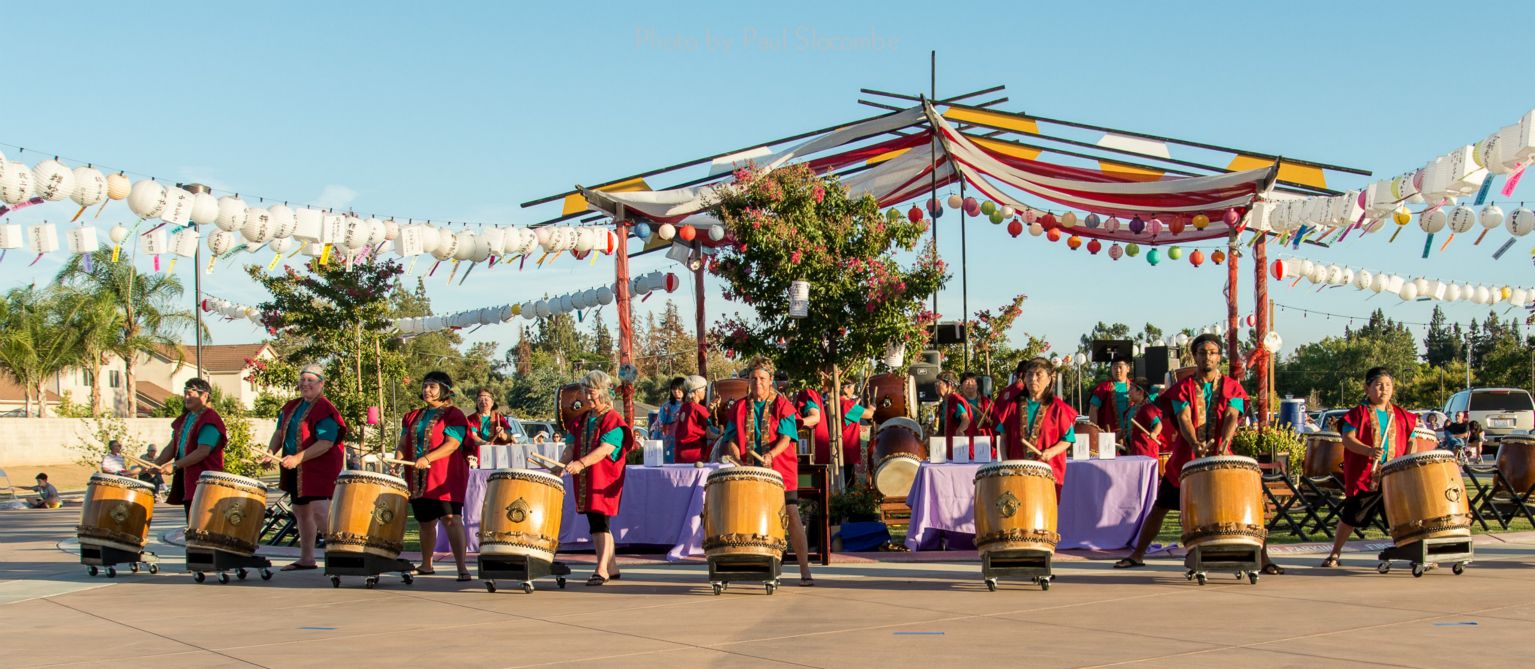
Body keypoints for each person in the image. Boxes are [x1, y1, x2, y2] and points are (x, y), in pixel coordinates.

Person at [1117, 335, 1280, 574]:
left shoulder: (1232, 387)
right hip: (1186, 462)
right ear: (1195, 356)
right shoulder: (1182, 388)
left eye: (1213, 352)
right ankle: (1137, 554)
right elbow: (1183, 417)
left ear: (1219, 357)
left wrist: (1222, 446)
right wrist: (1194, 443)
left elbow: (1232, 416)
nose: (1208, 357)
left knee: (1251, 504)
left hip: (1223, 461)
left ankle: (1264, 559)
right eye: (1203, 352)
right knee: (1160, 506)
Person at [721, 357, 814, 586]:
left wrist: (771, 455)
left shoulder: (783, 405)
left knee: (791, 513)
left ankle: (804, 569)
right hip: (750, 470)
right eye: (753, 378)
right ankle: (757, 564)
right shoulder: (740, 407)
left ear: (771, 380)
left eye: (762, 378)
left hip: (781, 469)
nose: (757, 383)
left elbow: (786, 438)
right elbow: (730, 438)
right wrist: (735, 454)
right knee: (750, 515)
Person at [1320, 367, 1418, 567]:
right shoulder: (1357, 414)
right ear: (1367, 388)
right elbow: (1348, 440)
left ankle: (1414, 552)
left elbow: (1411, 440)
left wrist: (1407, 460)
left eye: (1388, 386)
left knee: (1401, 516)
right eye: (1379, 385)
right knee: (1352, 514)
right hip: (1367, 475)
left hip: (1393, 476)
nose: (1384, 390)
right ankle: (1335, 553)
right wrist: (1369, 452)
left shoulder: (1401, 415)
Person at [269, 364, 348, 571]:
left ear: (321, 384)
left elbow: (326, 442)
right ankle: (307, 558)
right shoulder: (290, 406)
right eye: (302, 380)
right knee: (301, 511)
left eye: (310, 380)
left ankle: (340, 556)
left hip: (319, 468)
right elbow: (279, 433)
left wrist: (297, 458)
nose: (305, 384)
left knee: (320, 512)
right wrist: (270, 452)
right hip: (296, 468)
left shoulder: (324, 409)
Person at [397, 370, 472, 580]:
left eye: (432, 386)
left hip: (444, 476)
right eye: (425, 386)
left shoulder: (453, 414)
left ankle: (462, 568)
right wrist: (397, 459)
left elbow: (453, 444)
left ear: (444, 391)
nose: (427, 390)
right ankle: (426, 564)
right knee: (425, 522)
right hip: (418, 477)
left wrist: (428, 458)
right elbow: (404, 442)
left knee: (451, 518)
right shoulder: (411, 416)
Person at [563, 370, 633, 586]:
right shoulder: (582, 419)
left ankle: (601, 568)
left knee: (600, 521)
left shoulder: (613, 419)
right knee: (596, 522)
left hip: (603, 478)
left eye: (590, 392)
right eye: (585, 392)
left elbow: (606, 449)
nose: (586, 396)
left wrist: (581, 463)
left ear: (602, 392)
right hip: (585, 477)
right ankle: (611, 566)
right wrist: (557, 468)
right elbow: (570, 446)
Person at [992, 358, 1077, 497]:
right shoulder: (1011, 406)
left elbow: (1068, 439)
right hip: (1016, 473)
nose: (1033, 378)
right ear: (1024, 378)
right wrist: (1006, 463)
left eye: (1039, 374)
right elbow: (1003, 439)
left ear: (1049, 379)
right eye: (1029, 374)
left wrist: (1051, 452)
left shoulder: (1058, 408)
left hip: (1047, 473)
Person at [153, 378, 227, 519]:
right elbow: (172, 446)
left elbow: (202, 451)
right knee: (192, 523)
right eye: (185, 393)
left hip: (204, 482)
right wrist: (155, 465)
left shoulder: (210, 419)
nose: (186, 397)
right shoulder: (185, 419)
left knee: (201, 526)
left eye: (190, 394)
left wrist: (175, 465)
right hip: (189, 481)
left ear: (204, 396)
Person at [785, 375, 830, 467]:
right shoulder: (808, 393)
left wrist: (793, 423)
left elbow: (815, 417)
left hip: (812, 448)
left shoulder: (808, 393)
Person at [1089, 356, 1134, 443]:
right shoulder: (1103, 388)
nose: (1118, 370)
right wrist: (1095, 432)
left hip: (1132, 435)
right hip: (1110, 437)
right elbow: (1093, 409)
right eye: (1114, 367)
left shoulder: (1136, 387)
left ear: (1128, 368)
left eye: (1120, 367)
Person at [465, 387, 515, 463]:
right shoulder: (471, 419)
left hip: (498, 459)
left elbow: (508, 437)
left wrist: (502, 435)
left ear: (492, 403)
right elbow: (473, 436)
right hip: (476, 459)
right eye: (480, 400)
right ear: (477, 403)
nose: (483, 402)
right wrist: (485, 443)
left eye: (486, 399)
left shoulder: (499, 418)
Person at [672, 375, 712, 464]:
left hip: (680, 453)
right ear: (697, 391)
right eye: (704, 389)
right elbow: (709, 430)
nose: (705, 392)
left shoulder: (684, 407)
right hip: (695, 453)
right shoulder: (699, 408)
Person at [836, 378, 868, 486]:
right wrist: (872, 407)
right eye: (852, 388)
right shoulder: (846, 404)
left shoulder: (837, 402)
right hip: (846, 448)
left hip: (838, 449)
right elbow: (868, 414)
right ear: (845, 388)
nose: (853, 391)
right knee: (847, 482)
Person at [934, 371, 973, 459]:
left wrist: (959, 430)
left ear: (949, 385)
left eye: (938, 383)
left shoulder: (954, 400)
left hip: (959, 450)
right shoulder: (943, 404)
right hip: (948, 450)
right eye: (935, 383)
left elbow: (966, 420)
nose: (935, 386)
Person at [1125, 379, 1163, 459]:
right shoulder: (1129, 410)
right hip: (1133, 451)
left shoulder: (1147, 408)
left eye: (1131, 389)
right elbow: (1125, 429)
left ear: (1140, 392)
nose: (1129, 392)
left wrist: (1154, 433)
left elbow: (1158, 424)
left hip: (1146, 453)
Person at [652, 377, 686, 460]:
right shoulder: (666, 406)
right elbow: (660, 423)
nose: (676, 391)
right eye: (674, 389)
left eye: (679, 389)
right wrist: (654, 442)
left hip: (686, 441)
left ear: (685, 388)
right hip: (669, 442)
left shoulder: (690, 405)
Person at [961, 372, 995, 445]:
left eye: (973, 381)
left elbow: (995, 422)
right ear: (961, 385)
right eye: (966, 382)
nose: (970, 384)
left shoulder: (987, 402)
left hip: (983, 440)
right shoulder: (958, 402)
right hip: (963, 440)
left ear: (977, 385)